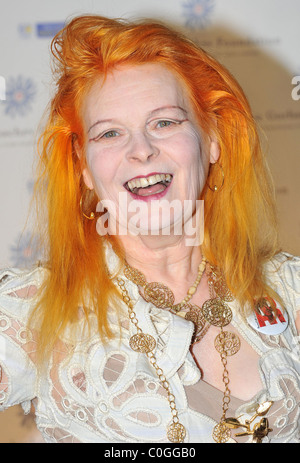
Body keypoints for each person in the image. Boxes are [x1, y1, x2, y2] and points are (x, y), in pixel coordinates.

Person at [0, 15, 299, 444]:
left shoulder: (289, 289)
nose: (141, 150)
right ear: (84, 168)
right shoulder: (35, 311)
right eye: (109, 133)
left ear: (211, 137)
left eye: (165, 122)